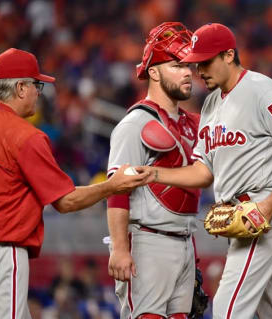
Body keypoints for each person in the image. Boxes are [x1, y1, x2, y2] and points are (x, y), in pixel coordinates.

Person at [0, 48, 150, 319]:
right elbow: (65, 201)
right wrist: (112, 186)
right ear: (20, 88)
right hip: (1, 250)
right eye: (36, 84)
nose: (40, 92)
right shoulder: (26, 136)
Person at [143, 23, 272, 319]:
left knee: (228, 307)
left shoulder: (263, 90)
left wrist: (268, 206)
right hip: (240, 214)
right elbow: (203, 172)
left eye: (206, 61)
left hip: (263, 207)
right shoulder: (211, 103)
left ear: (228, 55)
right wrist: (154, 174)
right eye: (196, 63)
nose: (200, 70)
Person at [106, 22, 200, 319]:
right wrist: (120, 248)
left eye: (188, 65)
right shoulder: (135, 123)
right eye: (176, 65)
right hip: (148, 240)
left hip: (184, 240)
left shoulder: (190, 122)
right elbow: (117, 190)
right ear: (154, 72)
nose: (187, 72)